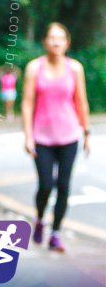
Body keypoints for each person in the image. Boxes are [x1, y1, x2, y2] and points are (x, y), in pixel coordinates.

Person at [20, 23, 91, 252]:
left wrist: (86, 132)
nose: (56, 42)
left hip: (69, 135)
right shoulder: (34, 68)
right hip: (42, 137)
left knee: (64, 186)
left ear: (67, 43)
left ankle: (56, 233)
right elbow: (27, 103)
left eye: (61, 38)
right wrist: (28, 136)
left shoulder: (75, 68)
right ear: (45, 42)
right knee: (46, 185)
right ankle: (40, 219)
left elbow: (81, 101)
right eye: (52, 38)